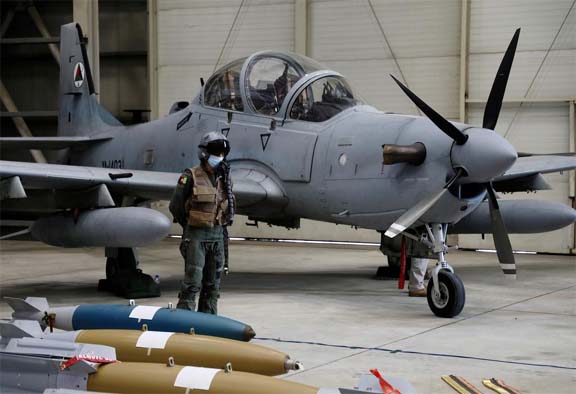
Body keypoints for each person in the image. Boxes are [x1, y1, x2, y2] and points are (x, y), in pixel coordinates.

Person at [169, 131, 235, 314]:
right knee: (192, 283)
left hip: (217, 237)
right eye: (216, 153)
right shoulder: (190, 176)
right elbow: (176, 206)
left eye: (222, 154)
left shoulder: (225, 179)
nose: (219, 157)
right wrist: (190, 226)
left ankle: (208, 321)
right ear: (205, 153)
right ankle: (184, 322)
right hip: (196, 237)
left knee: (213, 286)